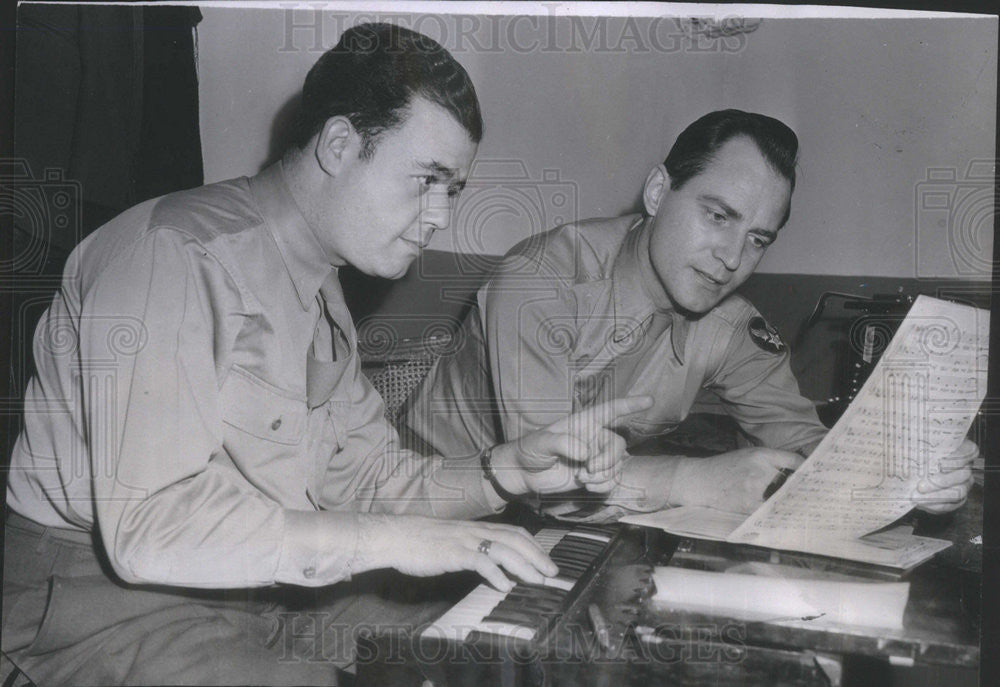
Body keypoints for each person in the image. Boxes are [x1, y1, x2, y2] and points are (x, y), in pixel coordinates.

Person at [2, 23, 650, 686]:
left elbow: (367, 478)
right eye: (427, 179)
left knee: (505, 647)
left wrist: (503, 471)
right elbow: (150, 528)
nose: (440, 216)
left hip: (253, 592)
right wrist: (395, 542)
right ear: (339, 144)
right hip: (95, 613)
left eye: (453, 190)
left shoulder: (320, 285)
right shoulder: (170, 256)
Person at [403, 109, 976, 519]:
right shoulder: (539, 282)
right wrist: (691, 479)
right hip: (428, 505)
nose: (731, 259)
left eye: (757, 239)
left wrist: (900, 470)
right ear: (658, 192)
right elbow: (545, 482)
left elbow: (804, 439)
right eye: (718, 216)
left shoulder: (727, 322)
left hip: (564, 524)